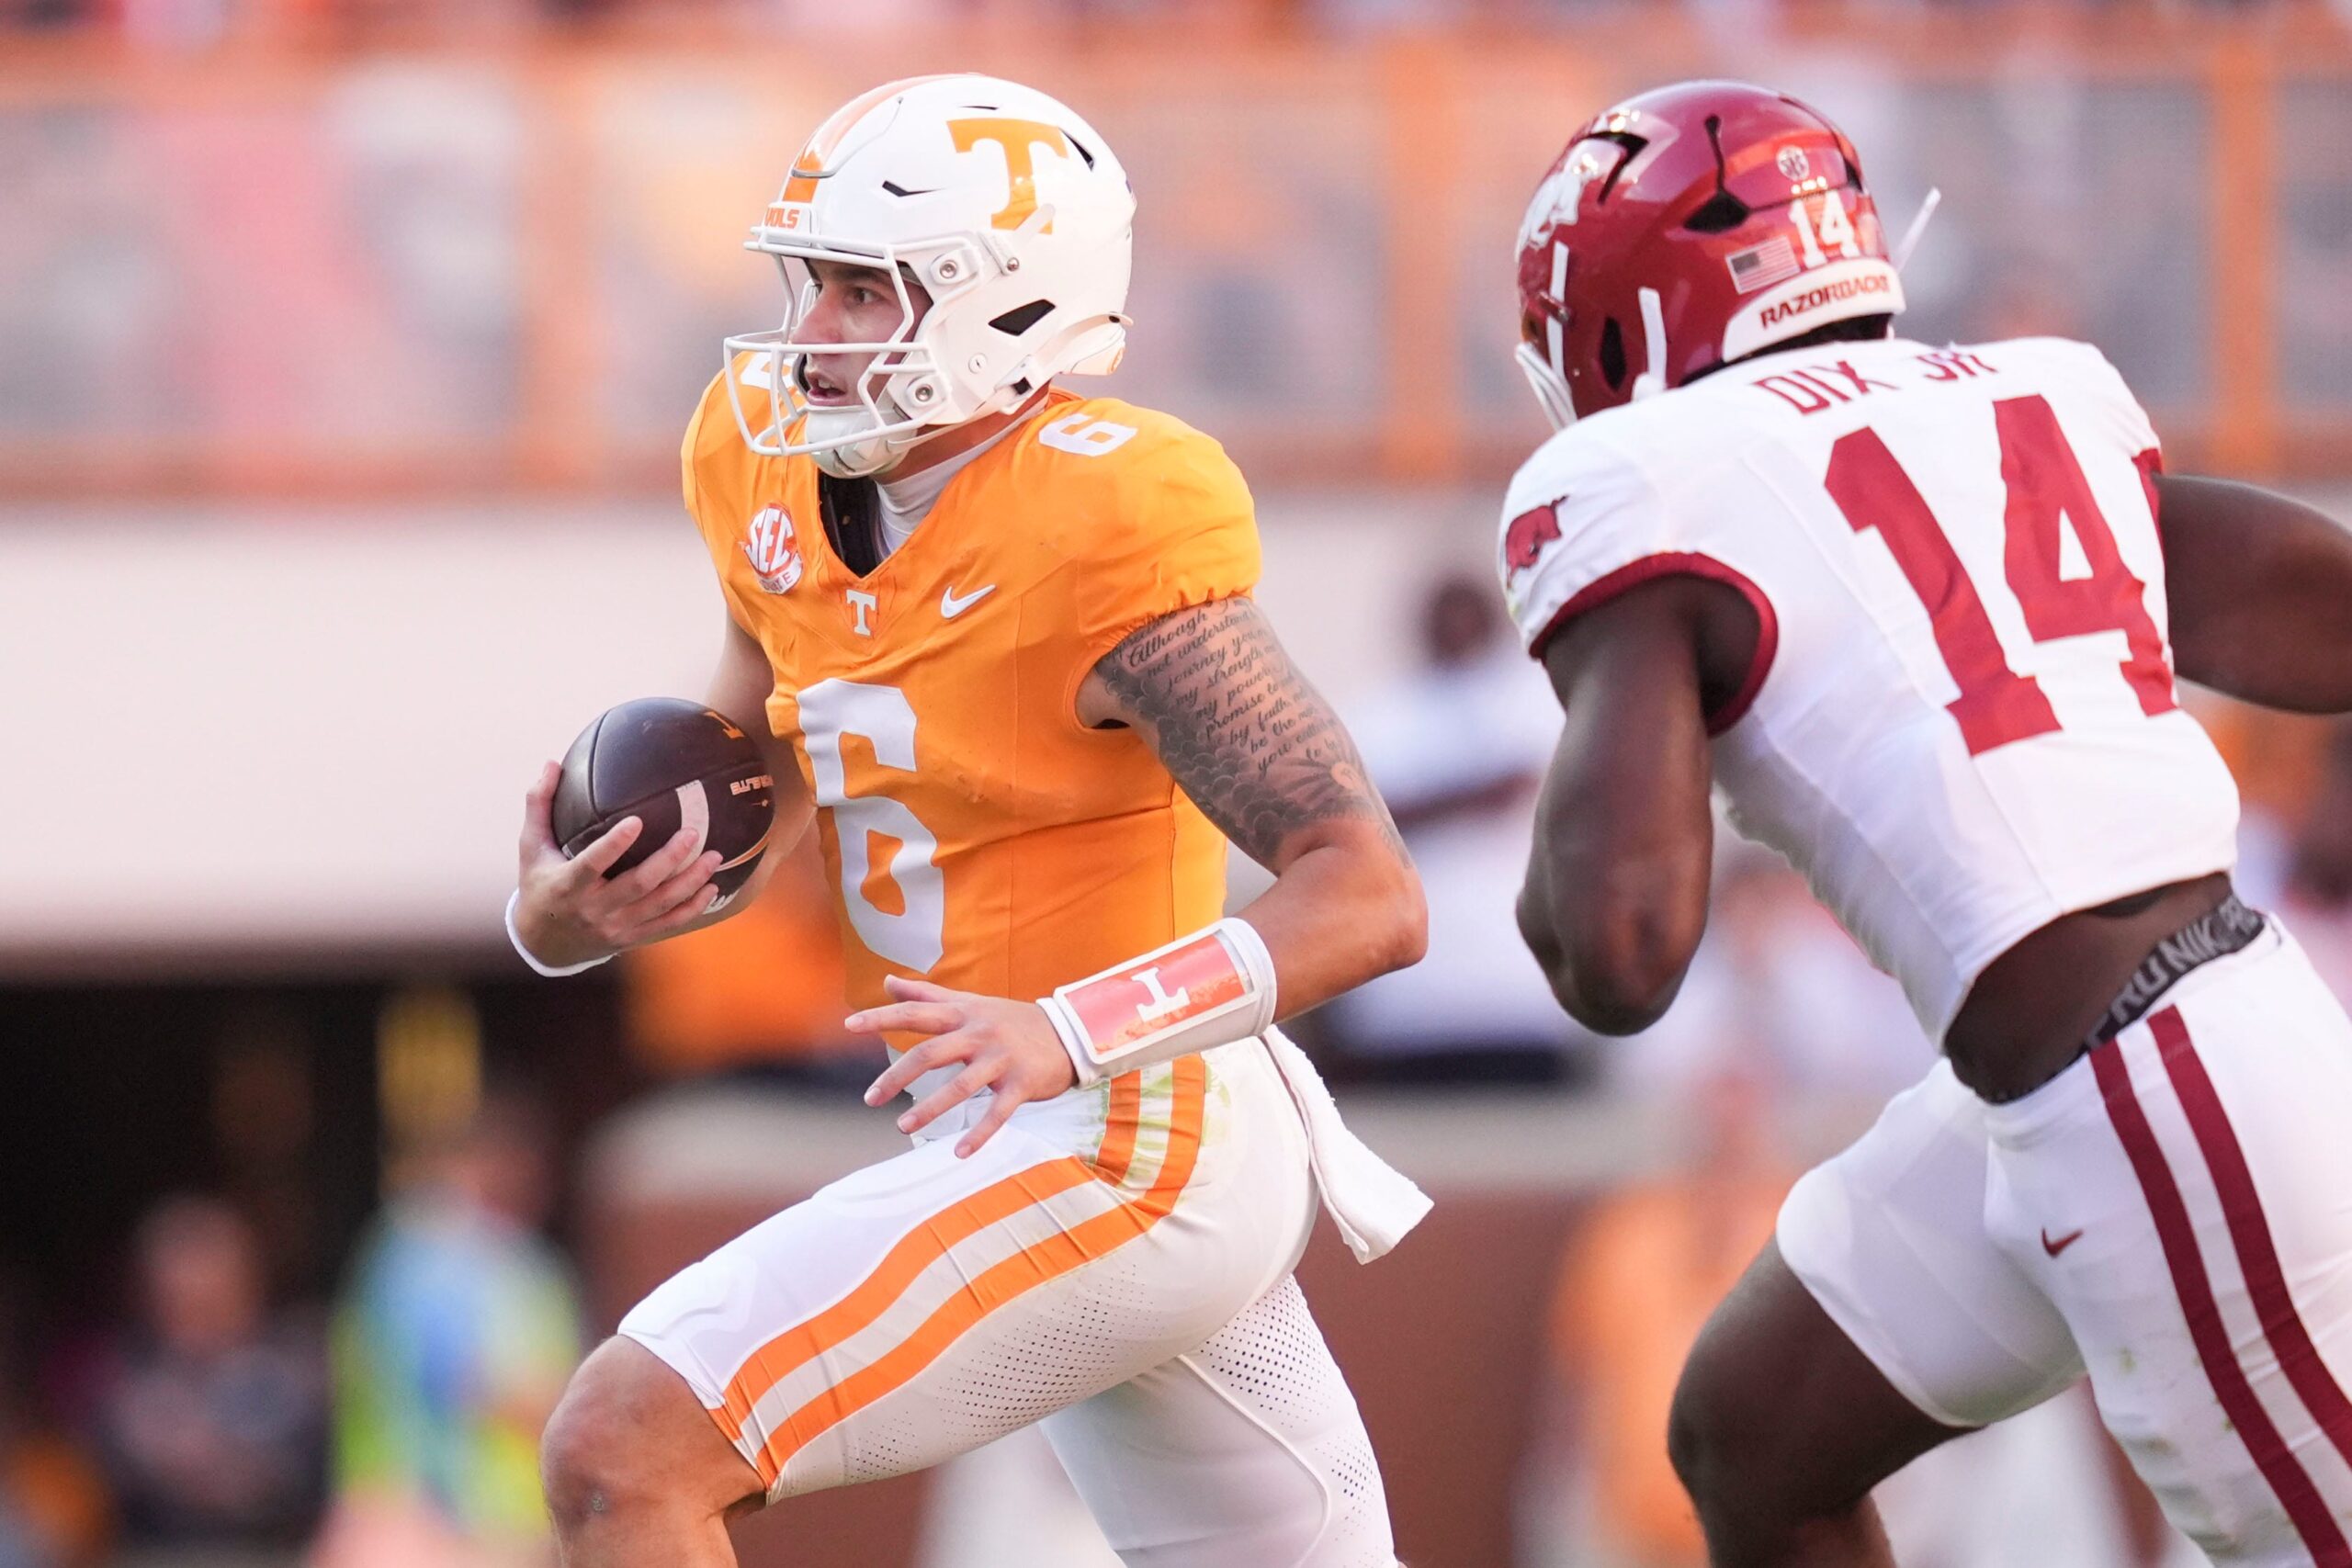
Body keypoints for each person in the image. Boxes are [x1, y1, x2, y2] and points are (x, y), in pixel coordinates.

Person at [506, 74, 1429, 1568]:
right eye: (810, 280)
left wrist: (1064, 1029)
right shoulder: (765, 463)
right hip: (1024, 1120)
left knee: (623, 1450)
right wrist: (567, 906)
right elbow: (779, 747)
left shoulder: (1105, 521)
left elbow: (1370, 892)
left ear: (1015, 310)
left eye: (867, 291)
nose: (813, 330)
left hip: (1133, 1128)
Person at [1498, 79, 2352, 1565]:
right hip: (2120, 1050)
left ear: (1628, 317)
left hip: (2147, 1086)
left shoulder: (1650, 477)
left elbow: (1617, 956)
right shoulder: (2021, 392)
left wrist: (1639, 699)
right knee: (1756, 1434)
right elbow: (2313, 608)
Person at [314, 1094, 582, 1568]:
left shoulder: (516, 1257)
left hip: (492, 1522)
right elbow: (465, 1381)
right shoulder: (432, 1252)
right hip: (445, 1527)